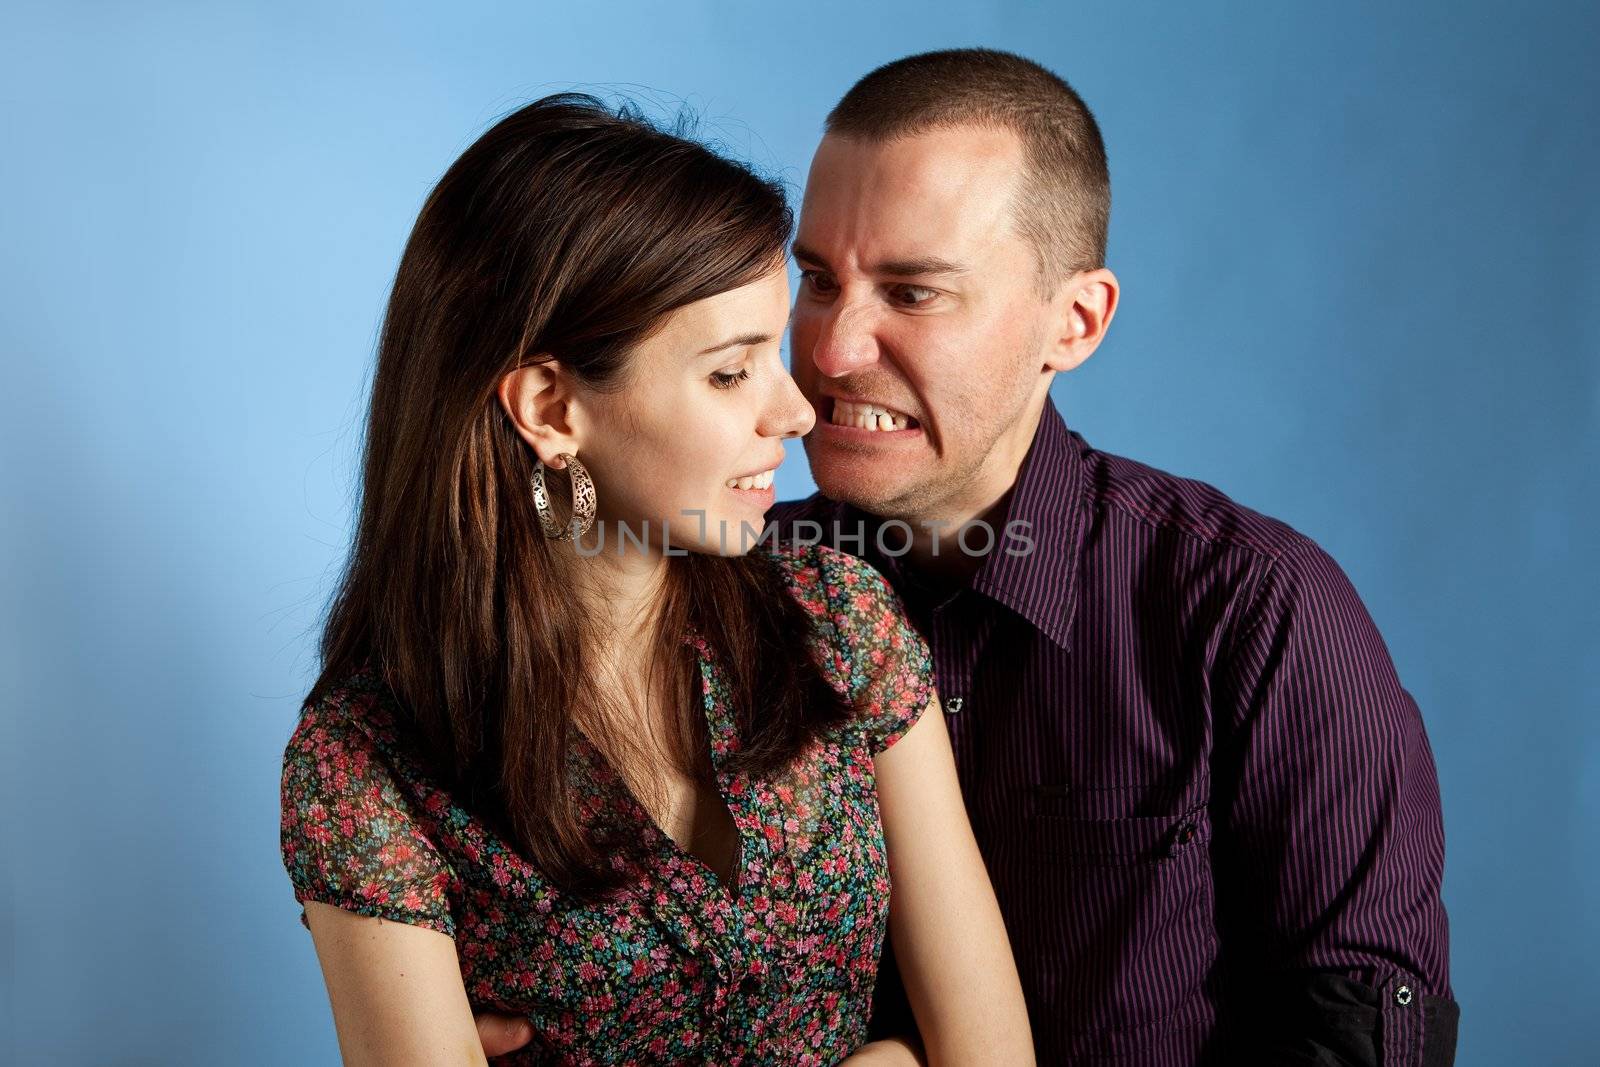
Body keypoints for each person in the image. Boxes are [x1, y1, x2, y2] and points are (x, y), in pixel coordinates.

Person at [278, 92, 1033, 1066]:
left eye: (774, 355)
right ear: (550, 405)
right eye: (729, 373)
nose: (795, 410)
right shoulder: (364, 769)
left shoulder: (841, 624)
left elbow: (992, 1053)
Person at [770, 49, 1458, 1066]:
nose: (829, 350)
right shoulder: (718, 594)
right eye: (819, 279)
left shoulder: (1255, 612)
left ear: (1075, 320)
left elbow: (1364, 1040)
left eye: (912, 293)